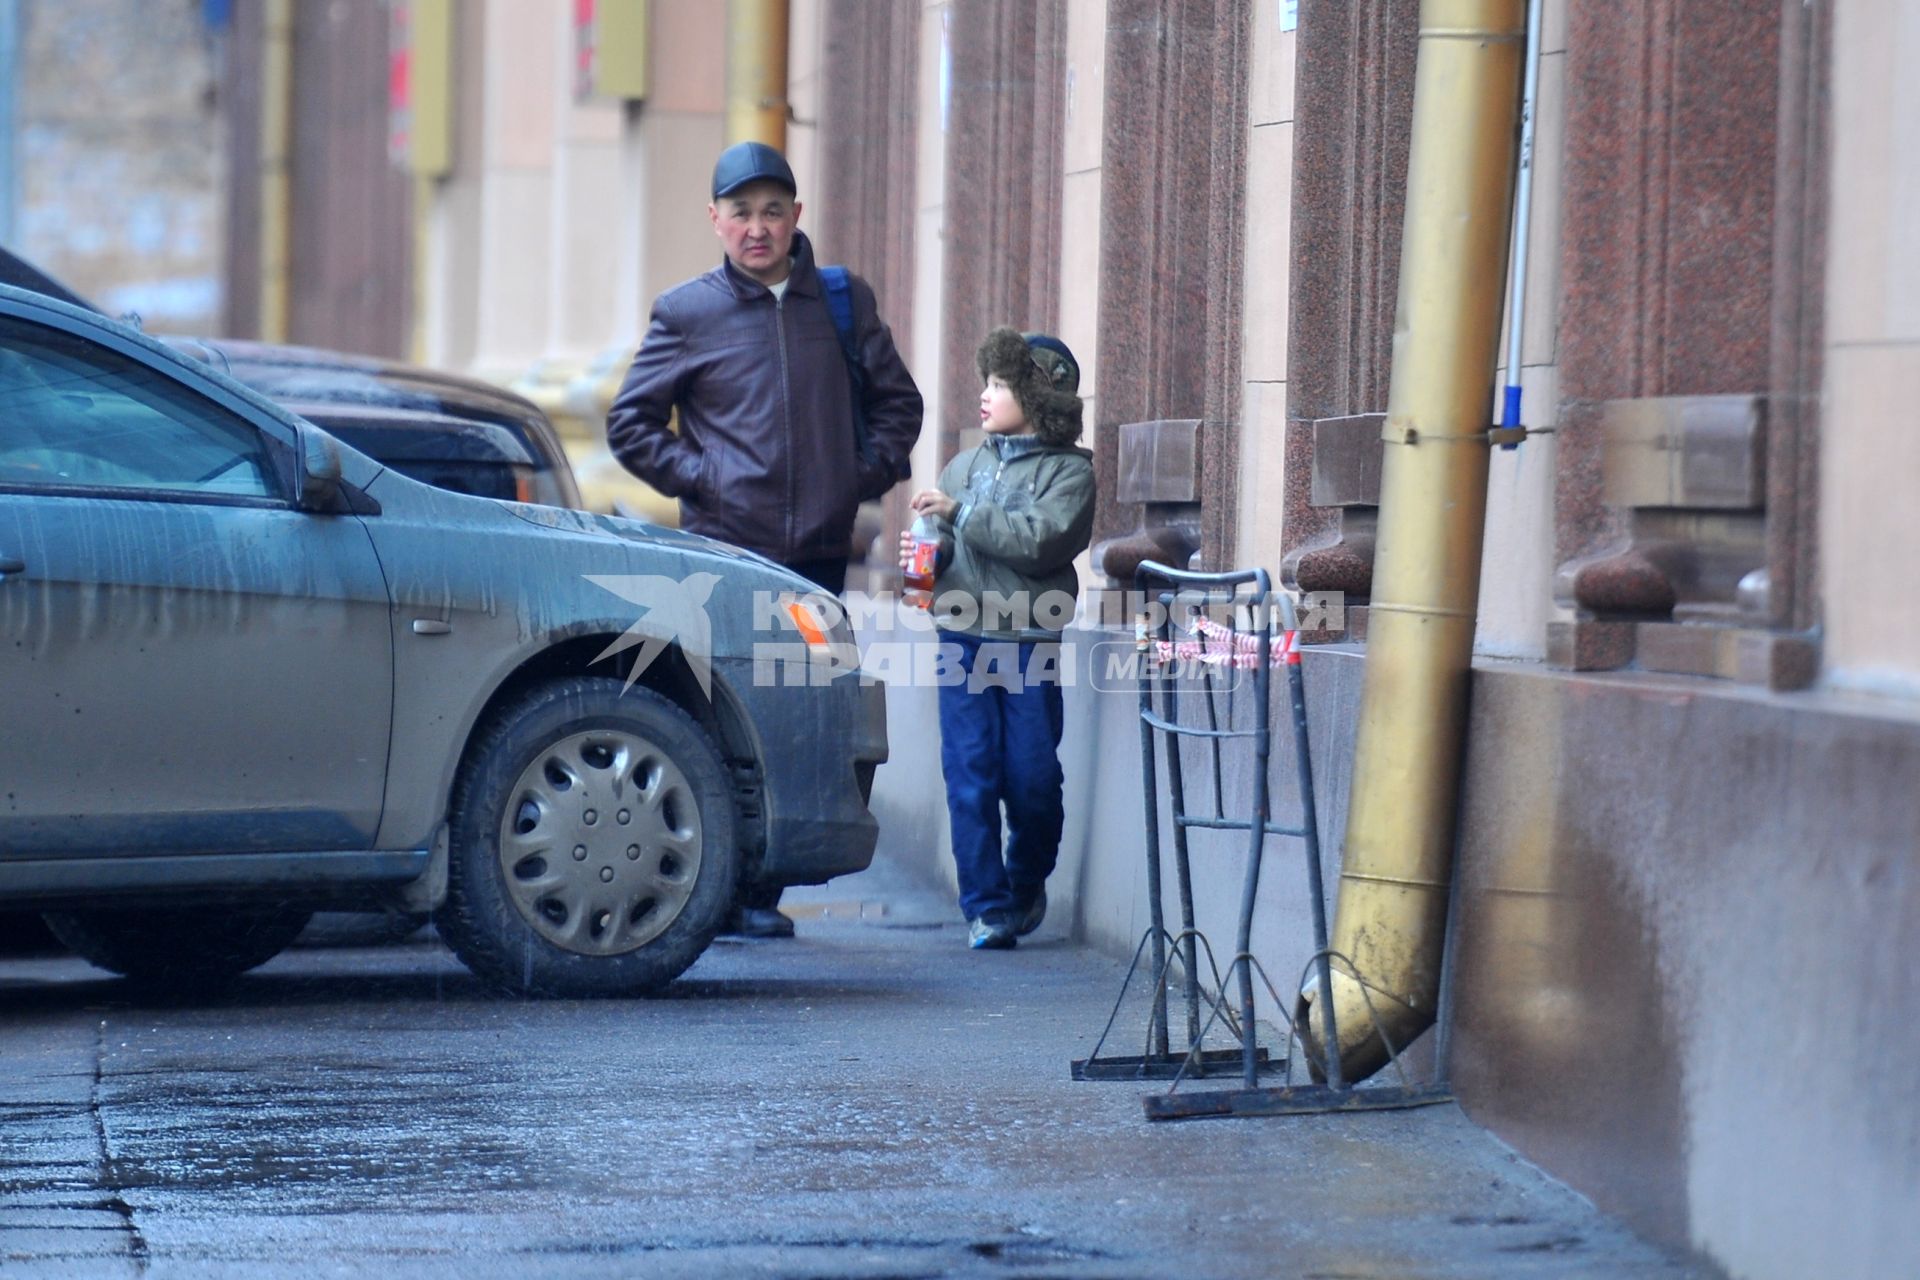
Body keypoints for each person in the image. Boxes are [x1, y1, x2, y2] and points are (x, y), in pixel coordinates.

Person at [610, 141, 923, 936]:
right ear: (714, 220)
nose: (758, 227)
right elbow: (631, 425)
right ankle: (713, 886)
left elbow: (900, 408)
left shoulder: (842, 303)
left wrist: (856, 475)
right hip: (724, 557)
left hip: (816, 562)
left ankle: (760, 894)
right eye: (741, 212)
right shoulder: (687, 312)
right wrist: (706, 477)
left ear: (796, 217)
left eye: (772, 210)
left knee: (799, 716)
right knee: (719, 714)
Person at [900, 328, 1095, 950]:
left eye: (1001, 385)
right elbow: (949, 547)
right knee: (970, 772)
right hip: (961, 636)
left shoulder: (1070, 476)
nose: (985, 395)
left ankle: (1024, 881)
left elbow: (1038, 544)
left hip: (1026, 640)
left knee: (1032, 777)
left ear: (1039, 398)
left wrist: (958, 515)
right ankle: (985, 907)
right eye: (987, 382)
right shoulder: (965, 465)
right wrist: (926, 556)